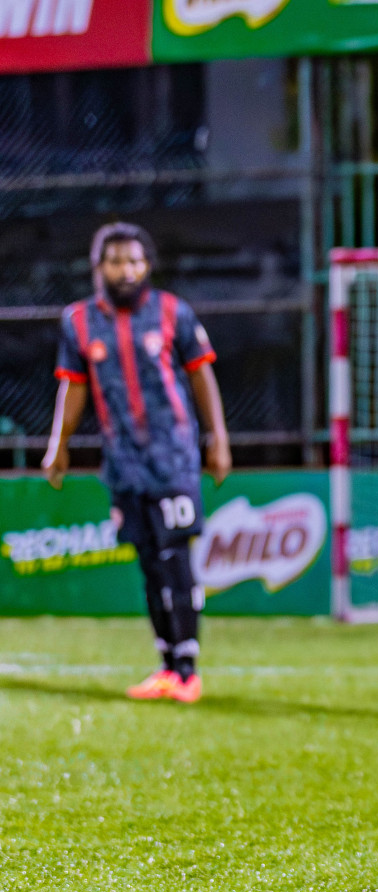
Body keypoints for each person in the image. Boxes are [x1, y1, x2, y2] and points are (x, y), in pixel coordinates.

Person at [42, 222, 231, 703]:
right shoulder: (79, 322)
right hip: (124, 462)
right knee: (149, 562)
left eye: (134, 261)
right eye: (115, 261)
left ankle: (188, 669)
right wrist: (58, 443)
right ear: (98, 268)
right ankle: (166, 665)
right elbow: (74, 386)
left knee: (175, 556)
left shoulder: (172, 312)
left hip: (174, 456)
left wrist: (218, 439)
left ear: (147, 265)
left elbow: (201, 375)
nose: (125, 270)